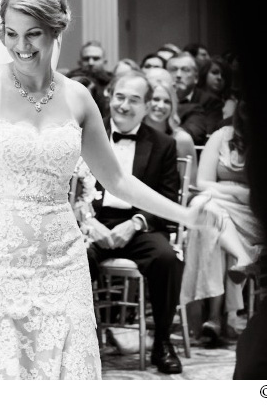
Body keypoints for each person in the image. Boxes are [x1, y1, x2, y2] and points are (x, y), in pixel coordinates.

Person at [0, 0, 217, 379]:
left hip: (61, 261)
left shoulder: (78, 97)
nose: (21, 47)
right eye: (11, 34)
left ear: (57, 29)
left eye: (33, 34)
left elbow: (117, 180)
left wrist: (186, 216)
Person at [82, 70, 185, 374]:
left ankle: (163, 343)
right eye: (119, 97)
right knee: (75, 257)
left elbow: (168, 197)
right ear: (109, 97)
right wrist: (87, 221)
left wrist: (137, 222)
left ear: (146, 105)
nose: (124, 106)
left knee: (167, 258)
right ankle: (83, 345)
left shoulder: (163, 144)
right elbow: (67, 187)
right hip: (94, 221)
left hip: (139, 224)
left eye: (134, 100)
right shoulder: (84, 133)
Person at [180, 101, 262, 345]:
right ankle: (224, 314)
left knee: (205, 214)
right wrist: (235, 193)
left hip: (252, 214)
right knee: (206, 212)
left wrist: (237, 195)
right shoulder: (220, 137)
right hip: (220, 204)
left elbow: (264, 193)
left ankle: (214, 316)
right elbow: (202, 182)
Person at [144, 75, 199, 173]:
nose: (161, 106)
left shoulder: (182, 140)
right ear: (146, 102)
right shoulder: (131, 133)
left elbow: (190, 185)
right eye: (156, 99)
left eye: (167, 102)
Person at [167, 52, 223, 146]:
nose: (178, 75)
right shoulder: (159, 99)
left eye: (185, 70)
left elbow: (206, 134)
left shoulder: (211, 102)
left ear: (196, 77)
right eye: (173, 70)